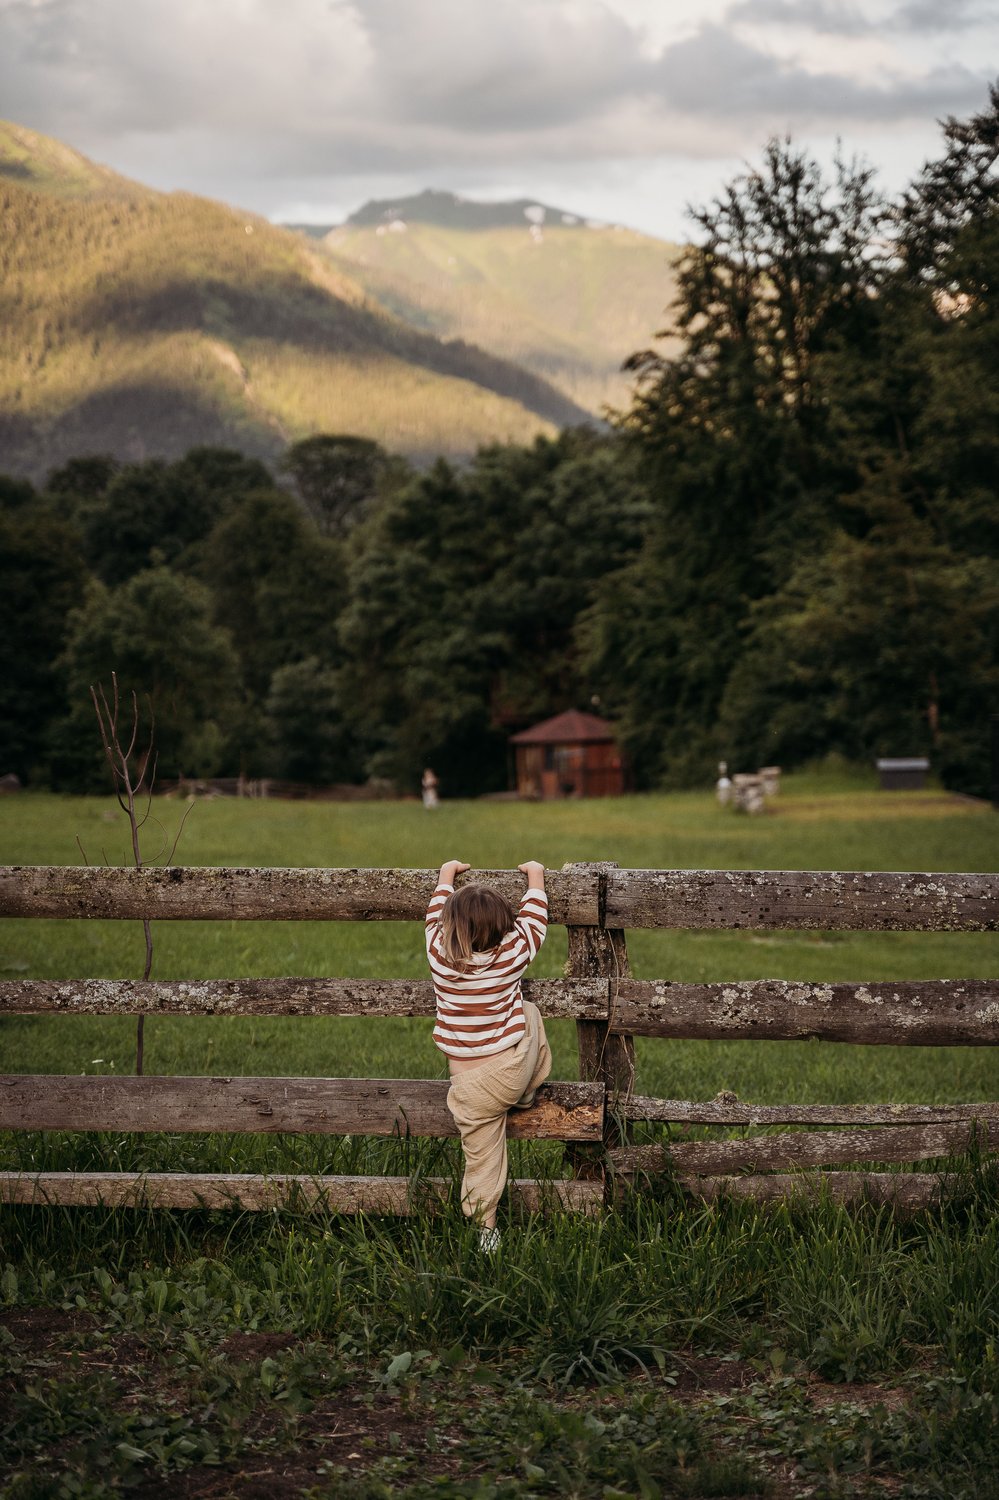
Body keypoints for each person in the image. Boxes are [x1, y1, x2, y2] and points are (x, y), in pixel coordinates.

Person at [425, 858, 552, 1252]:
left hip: (468, 1089)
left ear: (450, 926)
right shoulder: (513, 954)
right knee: (529, 1013)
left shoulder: (437, 955)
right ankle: (527, 1094)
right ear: (503, 928)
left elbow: (433, 916)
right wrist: (535, 875)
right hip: (510, 1075)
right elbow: (535, 920)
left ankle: (486, 1231)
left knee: (482, 1159)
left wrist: (446, 875)